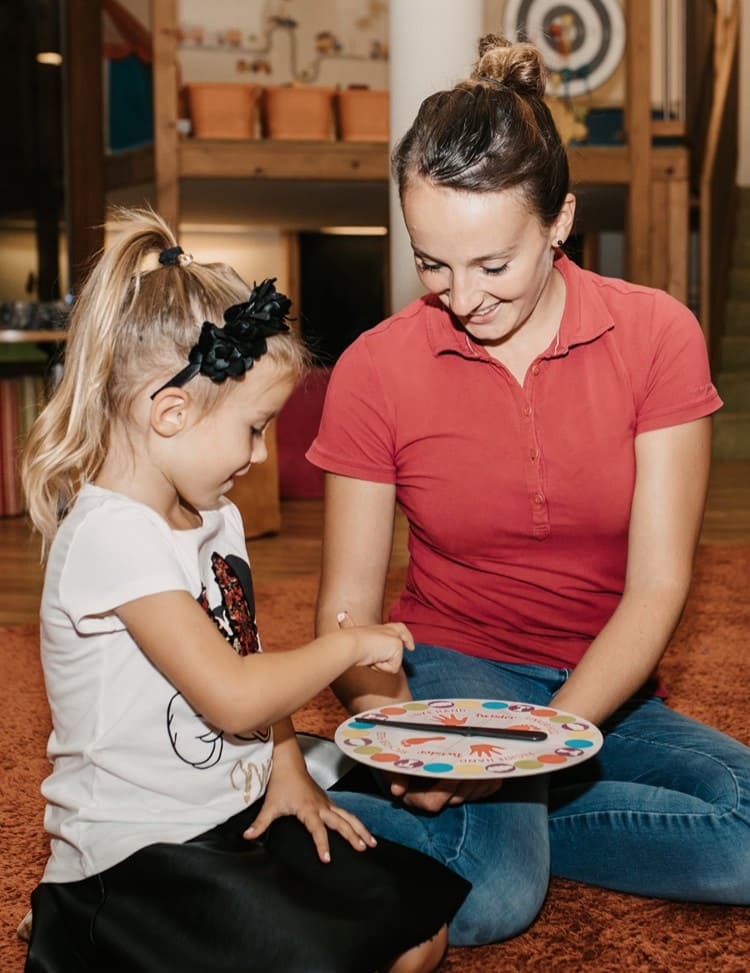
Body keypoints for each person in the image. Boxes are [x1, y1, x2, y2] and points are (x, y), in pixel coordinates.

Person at [307, 34, 750, 946]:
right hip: (454, 671)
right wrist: (402, 737)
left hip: (609, 684)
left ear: (560, 221)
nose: (460, 297)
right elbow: (347, 614)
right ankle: (375, 803)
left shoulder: (659, 335)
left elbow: (658, 588)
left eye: (492, 265)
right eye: (432, 262)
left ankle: (495, 814)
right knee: (499, 898)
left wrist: (516, 763)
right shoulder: (374, 367)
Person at [19, 208, 470, 973]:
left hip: (229, 818)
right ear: (171, 412)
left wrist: (287, 768)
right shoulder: (109, 535)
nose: (260, 457)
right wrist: (344, 646)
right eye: (255, 428)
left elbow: (245, 656)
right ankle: (77, 931)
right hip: (134, 858)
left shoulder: (216, 517)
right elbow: (232, 696)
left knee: (420, 931)